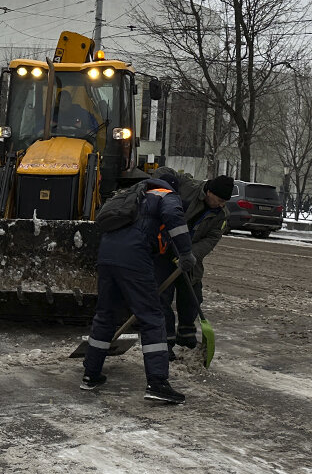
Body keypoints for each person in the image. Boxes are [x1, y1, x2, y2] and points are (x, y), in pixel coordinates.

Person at [81, 177, 195, 404]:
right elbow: (175, 220)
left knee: (106, 315)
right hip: (133, 256)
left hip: (106, 255)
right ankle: (157, 382)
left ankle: (90, 374)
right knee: (152, 317)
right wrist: (185, 253)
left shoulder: (132, 195)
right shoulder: (166, 195)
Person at [152, 170, 232, 356]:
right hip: (165, 249)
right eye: (219, 200)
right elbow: (167, 174)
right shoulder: (189, 189)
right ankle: (166, 341)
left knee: (192, 295)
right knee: (162, 296)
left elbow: (211, 239)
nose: (221, 205)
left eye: (224, 202)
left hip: (190, 258)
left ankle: (186, 335)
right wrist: (160, 179)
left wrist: (189, 254)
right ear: (209, 192)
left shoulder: (221, 214)